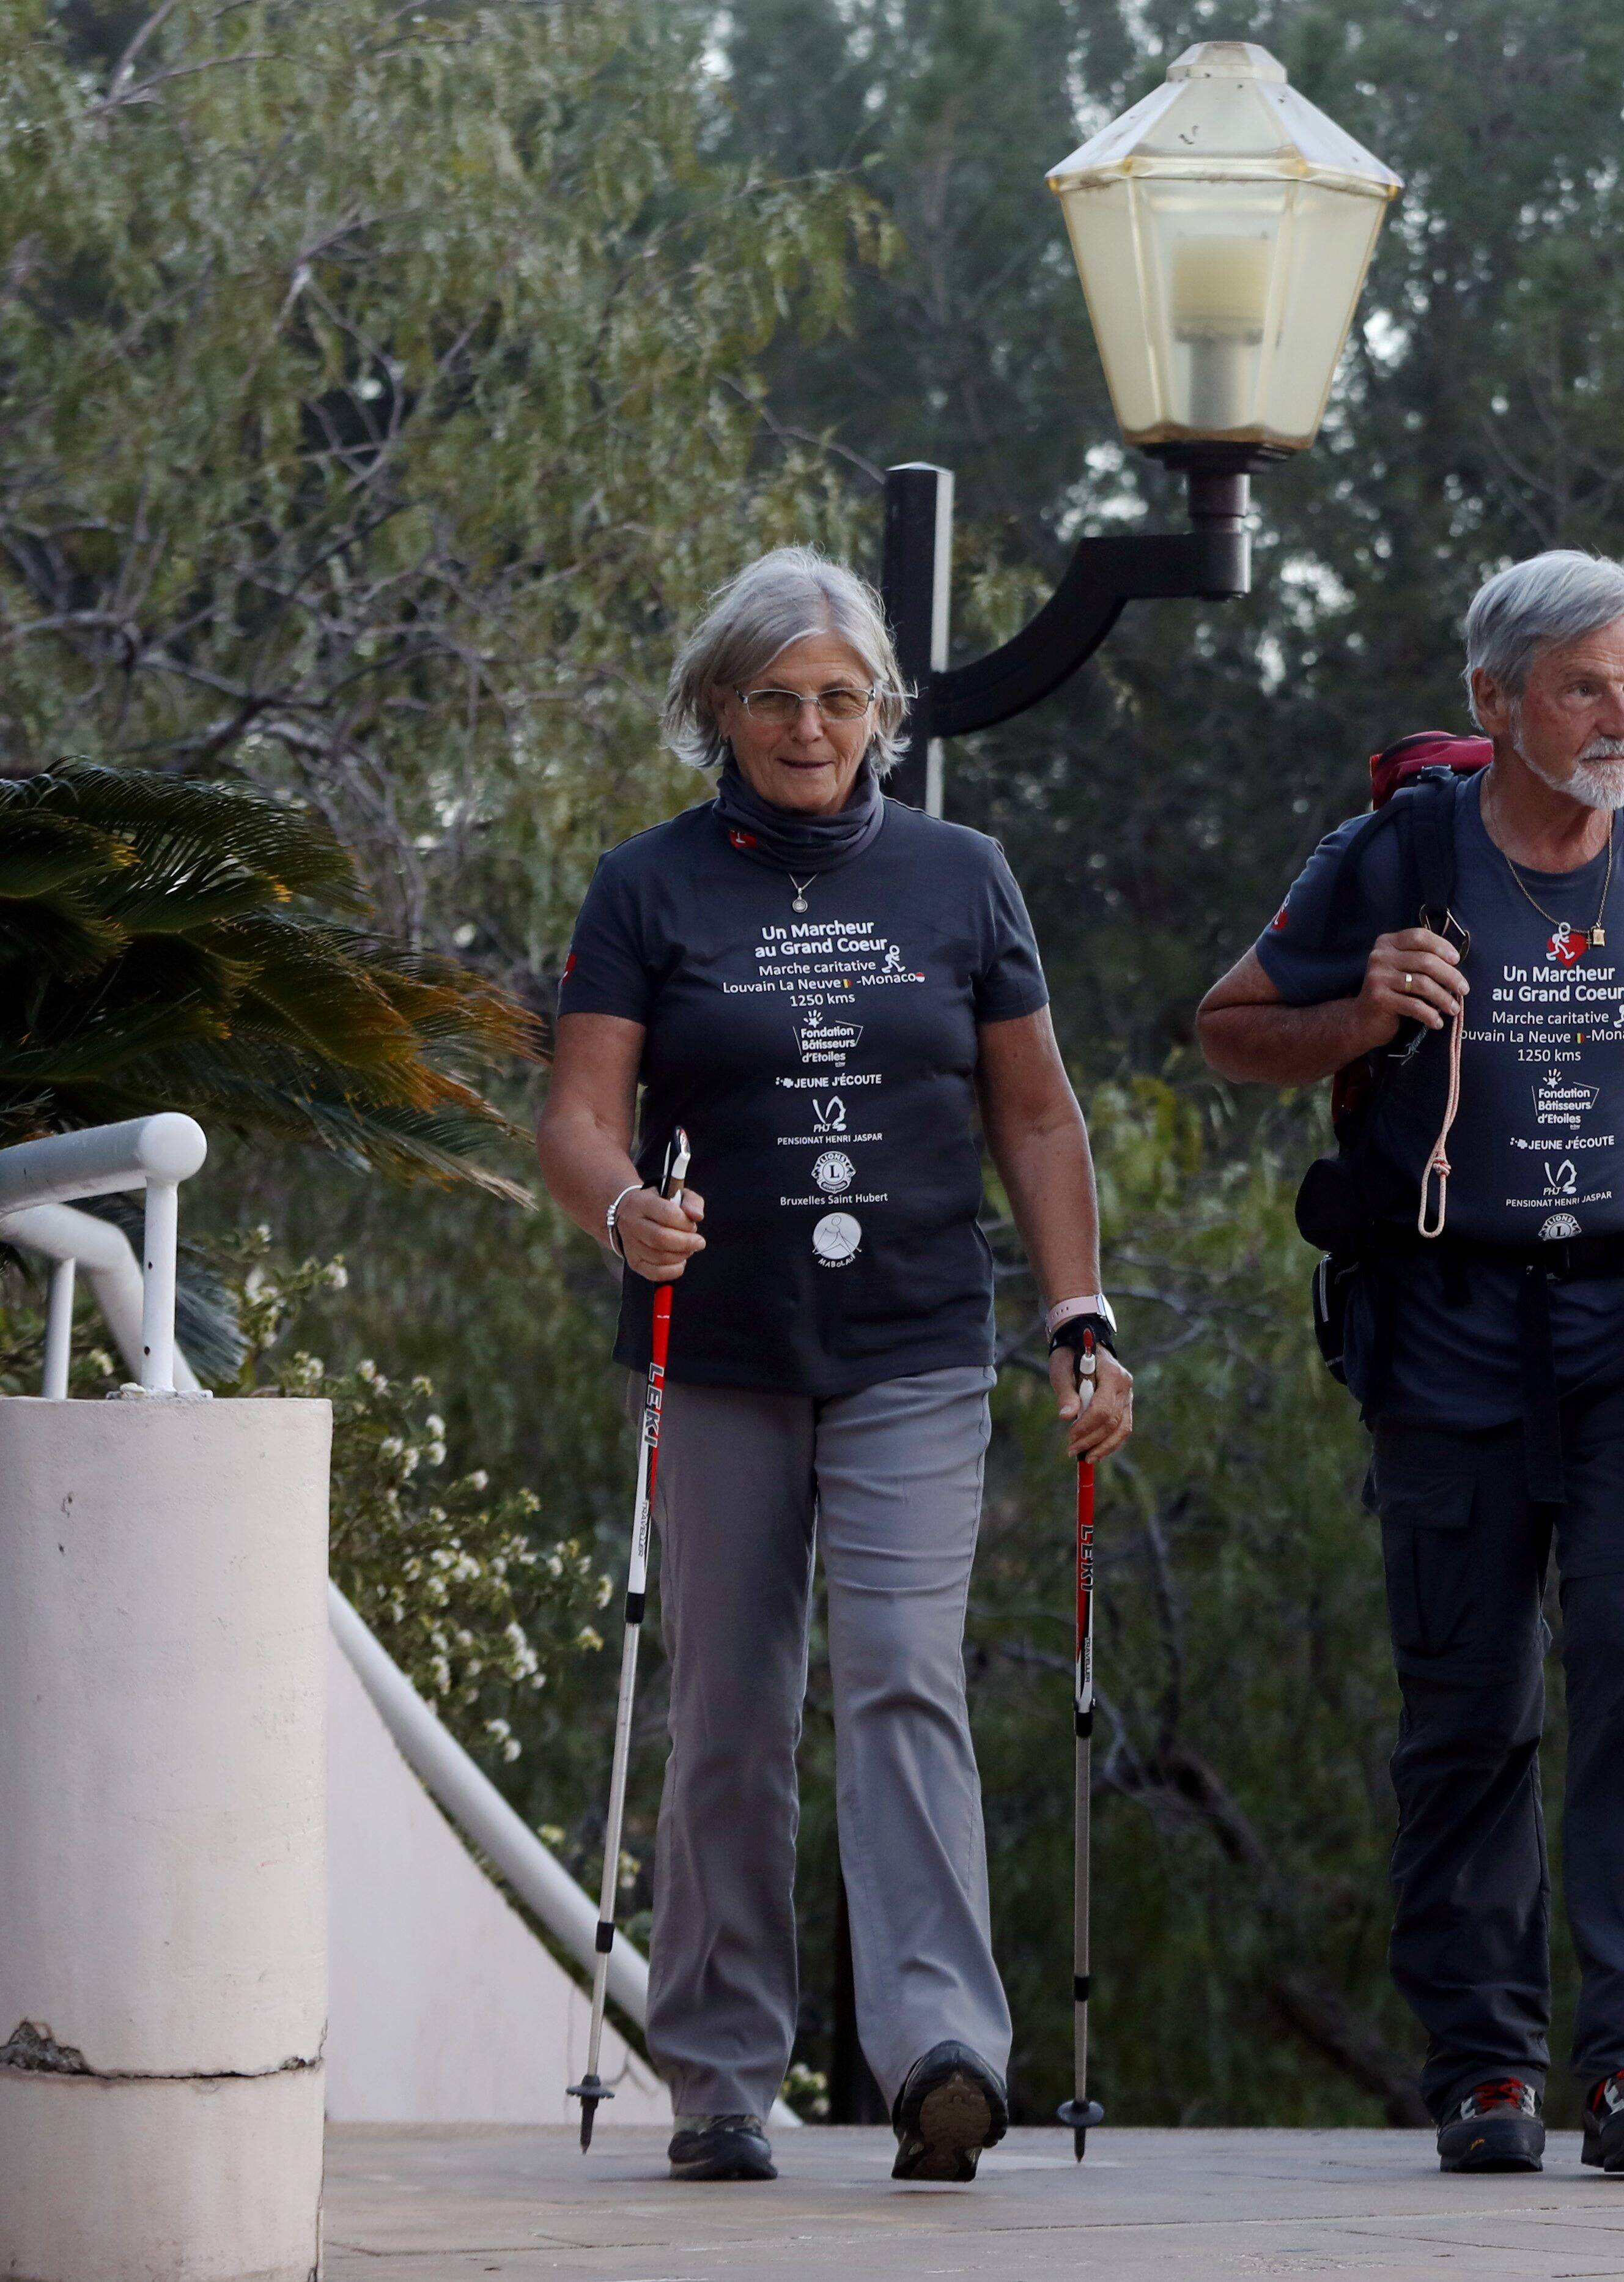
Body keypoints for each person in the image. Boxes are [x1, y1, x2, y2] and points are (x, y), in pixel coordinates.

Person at [538, 546, 1135, 2186]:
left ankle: (941, 2045)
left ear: (885, 711)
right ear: (719, 709)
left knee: (899, 1674)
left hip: (915, 1345)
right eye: (779, 698)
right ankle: (722, 2073)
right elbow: (580, 1116)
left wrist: (1080, 1314)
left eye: (843, 698)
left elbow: (1034, 1112)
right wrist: (624, 1217)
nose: (813, 727)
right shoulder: (646, 885)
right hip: (717, 1344)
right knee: (728, 1704)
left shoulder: (962, 876)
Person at [1195, 550, 1624, 2176]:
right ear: (1495, 699)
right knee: (1466, 1698)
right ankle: (1484, 2068)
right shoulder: (1393, 853)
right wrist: (1363, 1015)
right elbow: (1230, 1024)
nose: (1621, 719)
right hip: (1447, 1320)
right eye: (1585, 685)